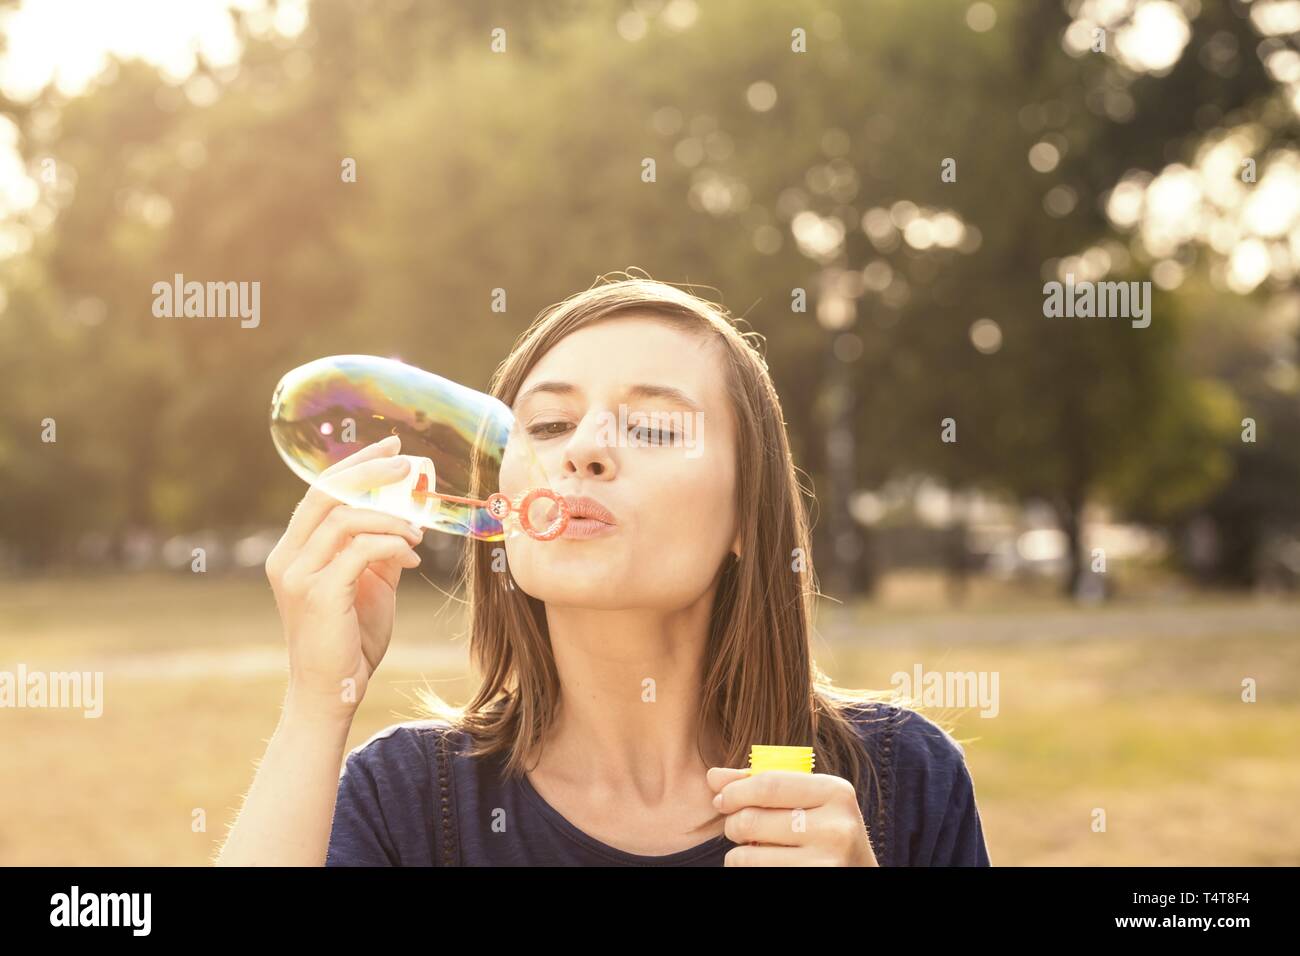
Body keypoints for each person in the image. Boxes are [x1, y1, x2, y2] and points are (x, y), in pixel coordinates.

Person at [215, 273, 991, 867]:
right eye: (547, 424)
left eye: (652, 426)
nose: (582, 448)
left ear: (747, 519)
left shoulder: (900, 780)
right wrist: (320, 700)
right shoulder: (413, 801)